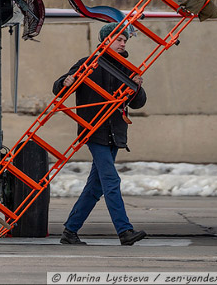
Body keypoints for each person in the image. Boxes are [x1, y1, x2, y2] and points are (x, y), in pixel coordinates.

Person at [52, 21, 148, 246]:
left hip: (115, 133)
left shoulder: (127, 68)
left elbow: (138, 103)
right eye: (119, 39)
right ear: (106, 40)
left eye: (125, 40)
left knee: (95, 187)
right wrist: (65, 82)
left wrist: (137, 87)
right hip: (93, 131)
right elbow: (59, 87)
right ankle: (124, 231)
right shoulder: (87, 64)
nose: (123, 43)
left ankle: (70, 231)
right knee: (111, 179)